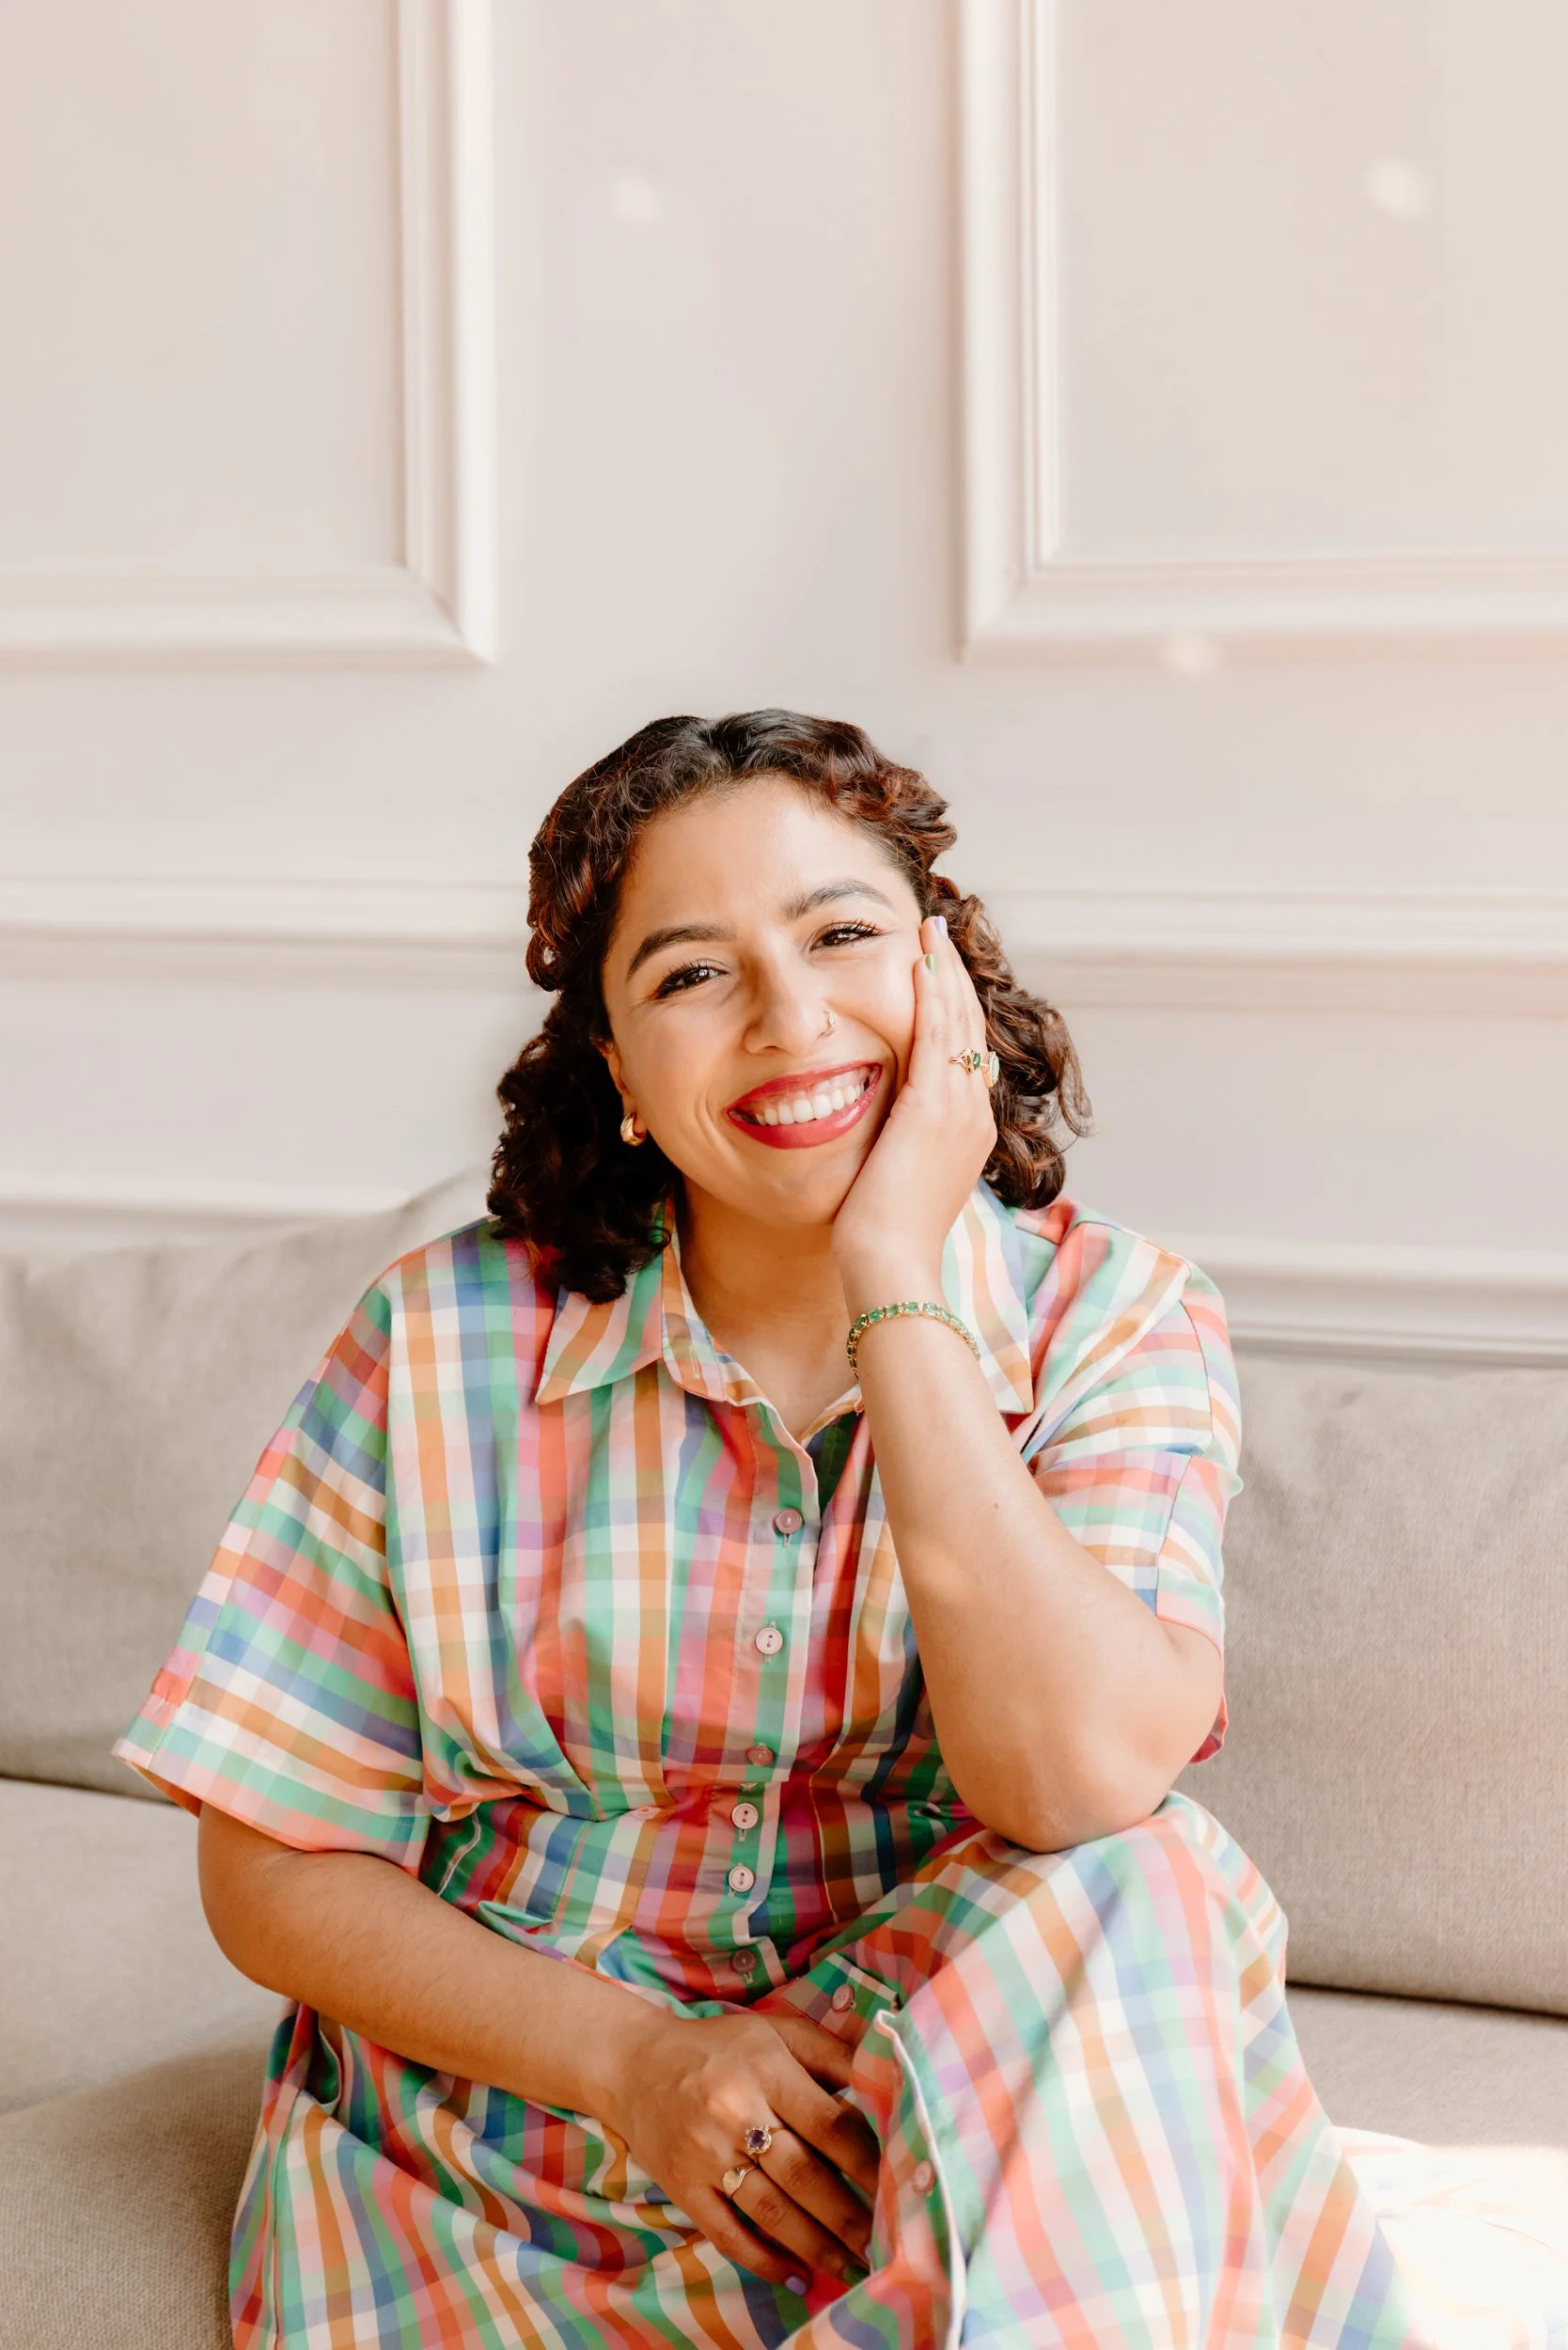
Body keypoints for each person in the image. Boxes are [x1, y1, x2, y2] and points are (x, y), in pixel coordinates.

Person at [117, 712, 1421, 2348]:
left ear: (947, 982)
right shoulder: (437, 1344)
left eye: (842, 936)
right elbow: (270, 1862)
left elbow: (1073, 1780)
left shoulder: (1115, 1319)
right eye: (689, 976)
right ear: (620, 1074)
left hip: (951, 2121)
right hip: (508, 2147)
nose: (791, 1020)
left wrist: (896, 1277)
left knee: (1142, 1878)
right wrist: (636, 2061)